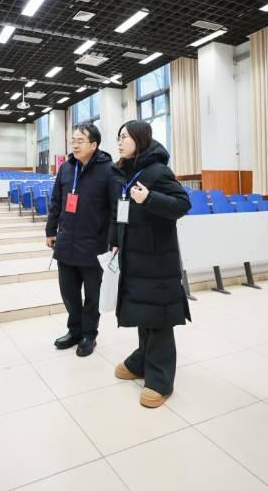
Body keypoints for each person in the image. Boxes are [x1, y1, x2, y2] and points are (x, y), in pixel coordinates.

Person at [110, 120, 191, 408]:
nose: (119, 142)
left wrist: (149, 198)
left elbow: (182, 204)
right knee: (142, 314)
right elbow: (119, 211)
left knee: (159, 319)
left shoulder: (158, 171)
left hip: (157, 260)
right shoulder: (125, 172)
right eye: (118, 137)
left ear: (140, 140)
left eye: (125, 137)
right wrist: (115, 240)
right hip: (134, 256)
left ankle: (160, 379)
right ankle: (142, 360)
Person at [45, 122, 120, 357]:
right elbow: (56, 201)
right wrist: (50, 230)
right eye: (73, 141)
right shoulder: (66, 168)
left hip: (94, 244)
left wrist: (115, 239)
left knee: (92, 295)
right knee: (68, 292)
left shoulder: (108, 170)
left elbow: (116, 208)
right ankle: (74, 330)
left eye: (80, 141)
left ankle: (89, 334)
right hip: (66, 241)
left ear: (94, 145)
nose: (75, 145)